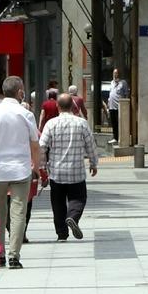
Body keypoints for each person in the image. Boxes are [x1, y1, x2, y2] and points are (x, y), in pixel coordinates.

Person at [0, 76, 40, 269]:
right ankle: (14, 256)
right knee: (19, 212)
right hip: (21, 169)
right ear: (20, 91)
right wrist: (36, 167)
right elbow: (34, 144)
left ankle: (0, 254)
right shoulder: (26, 114)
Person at [40, 93, 99, 241]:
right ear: (73, 106)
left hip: (56, 172)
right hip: (76, 171)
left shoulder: (51, 124)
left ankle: (61, 233)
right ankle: (72, 217)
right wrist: (93, 163)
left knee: (58, 203)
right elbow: (90, 144)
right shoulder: (81, 123)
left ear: (57, 106)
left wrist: (42, 167)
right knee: (78, 198)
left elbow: (41, 147)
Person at [107, 68, 129, 143]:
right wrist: (108, 104)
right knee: (114, 123)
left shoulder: (123, 82)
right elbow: (110, 94)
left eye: (116, 73)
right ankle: (115, 137)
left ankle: (121, 138)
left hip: (119, 107)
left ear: (119, 74)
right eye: (114, 73)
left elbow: (126, 94)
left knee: (120, 123)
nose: (115, 75)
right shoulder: (111, 82)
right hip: (111, 106)